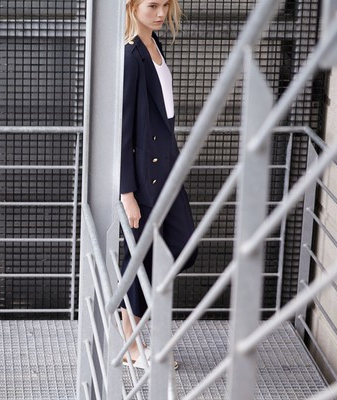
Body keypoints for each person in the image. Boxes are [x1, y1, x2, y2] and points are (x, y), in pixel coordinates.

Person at [120, 0, 197, 368]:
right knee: (141, 258)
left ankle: (128, 323)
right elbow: (123, 129)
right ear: (132, 6)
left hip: (168, 169)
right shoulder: (131, 56)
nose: (161, 13)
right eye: (152, 5)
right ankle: (132, 345)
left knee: (183, 245)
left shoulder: (155, 45)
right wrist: (127, 192)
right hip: (145, 176)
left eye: (165, 4)